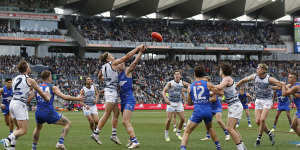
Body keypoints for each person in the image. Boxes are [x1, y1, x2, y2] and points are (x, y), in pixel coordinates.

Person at [92, 44, 146, 144]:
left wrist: (107, 81)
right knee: (107, 114)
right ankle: (96, 133)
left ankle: (113, 135)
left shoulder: (103, 67)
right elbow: (127, 56)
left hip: (111, 91)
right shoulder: (112, 63)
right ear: (108, 58)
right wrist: (137, 48)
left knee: (116, 113)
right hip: (111, 92)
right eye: (111, 55)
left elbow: (99, 76)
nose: (113, 56)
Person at [0, 60, 50, 150]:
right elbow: (40, 92)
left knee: (18, 128)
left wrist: (29, 93)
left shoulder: (15, 79)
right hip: (20, 104)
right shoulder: (30, 80)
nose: (30, 67)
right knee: (23, 130)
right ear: (27, 68)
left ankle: (11, 147)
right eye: (29, 66)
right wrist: (46, 98)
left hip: (12, 103)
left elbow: (22, 89)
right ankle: (7, 139)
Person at [30, 70, 84, 150]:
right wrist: (77, 98)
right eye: (51, 76)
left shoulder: (37, 87)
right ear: (49, 77)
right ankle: (60, 143)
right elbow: (64, 97)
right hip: (48, 112)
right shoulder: (52, 87)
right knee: (68, 123)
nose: (52, 77)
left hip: (38, 112)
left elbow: (28, 99)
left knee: (38, 128)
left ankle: (34, 147)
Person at [237, 63, 281, 146]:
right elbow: (244, 80)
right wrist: (237, 84)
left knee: (262, 120)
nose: (257, 70)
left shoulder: (269, 79)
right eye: (257, 68)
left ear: (264, 70)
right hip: (258, 100)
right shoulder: (255, 76)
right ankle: (269, 133)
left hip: (267, 100)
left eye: (258, 68)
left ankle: (259, 138)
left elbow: (280, 85)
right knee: (257, 121)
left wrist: (272, 88)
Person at [180, 65, 223, 150]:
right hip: (208, 111)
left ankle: (183, 148)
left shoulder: (191, 86)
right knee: (210, 128)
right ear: (203, 74)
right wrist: (210, 95)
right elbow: (221, 93)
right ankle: (218, 147)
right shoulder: (208, 84)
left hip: (198, 111)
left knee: (187, 132)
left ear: (194, 74)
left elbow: (189, 103)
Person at [117, 48, 145, 148]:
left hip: (129, 99)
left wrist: (140, 53)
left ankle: (135, 141)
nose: (121, 63)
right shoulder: (117, 76)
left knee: (125, 121)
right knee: (125, 122)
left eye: (122, 62)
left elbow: (134, 63)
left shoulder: (127, 71)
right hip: (123, 101)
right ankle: (131, 139)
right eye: (119, 62)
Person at [215, 63, 246, 150]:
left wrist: (208, 86)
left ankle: (240, 148)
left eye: (220, 69)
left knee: (229, 128)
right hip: (233, 106)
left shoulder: (226, 78)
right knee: (233, 128)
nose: (219, 71)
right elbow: (220, 92)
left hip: (235, 106)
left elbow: (219, 87)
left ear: (223, 71)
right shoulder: (225, 79)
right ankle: (243, 147)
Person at [200, 77, 230, 141]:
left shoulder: (212, 88)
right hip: (209, 107)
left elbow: (214, 99)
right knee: (208, 122)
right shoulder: (203, 89)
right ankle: (208, 136)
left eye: (205, 81)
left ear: (208, 81)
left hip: (216, 107)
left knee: (218, 120)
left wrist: (205, 100)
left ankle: (227, 134)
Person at [162, 70, 189, 141]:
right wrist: (165, 99)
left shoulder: (182, 83)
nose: (177, 75)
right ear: (174, 76)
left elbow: (189, 85)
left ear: (180, 76)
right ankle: (166, 135)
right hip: (170, 103)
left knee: (183, 119)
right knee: (168, 120)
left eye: (178, 74)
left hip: (179, 103)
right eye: (176, 74)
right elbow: (164, 91)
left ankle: (178, 132)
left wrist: (191, 88)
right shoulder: (170, 83)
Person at [281, 72, 300, 147]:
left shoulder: (295, 87)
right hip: (298, 109)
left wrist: (283, 85)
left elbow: (284, 94)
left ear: (295, 79)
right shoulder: (293, 86)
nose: (289, 78)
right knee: (293, 126)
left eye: (291, 77)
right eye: (288, 77)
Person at [79, 77, 100, 143]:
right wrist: (85, 106)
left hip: (93, 106)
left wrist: (96, 100)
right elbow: (80, 101)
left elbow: (97, 94)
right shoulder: (83, 90)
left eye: (90, 79)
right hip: (86, 106)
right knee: (91, 121)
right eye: (88, 79)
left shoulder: (94, 87)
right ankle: (94, 132)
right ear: (85, 81)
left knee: (97, 121)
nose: (90, 80)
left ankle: (94, 134)